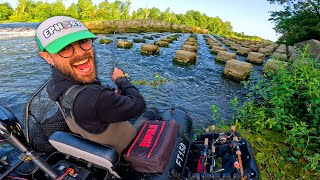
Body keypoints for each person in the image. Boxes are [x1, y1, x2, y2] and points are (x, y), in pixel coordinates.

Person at [36, 16, 147, 155]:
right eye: (64, 48)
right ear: (47, 57)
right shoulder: (96, 97)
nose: (81, 53)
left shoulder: (54, 85)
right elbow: (139, 104)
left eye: (83, 42)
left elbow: (93, 102)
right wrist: (121, 80)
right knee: (151, 113)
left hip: (91, 132)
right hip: (125, 149)